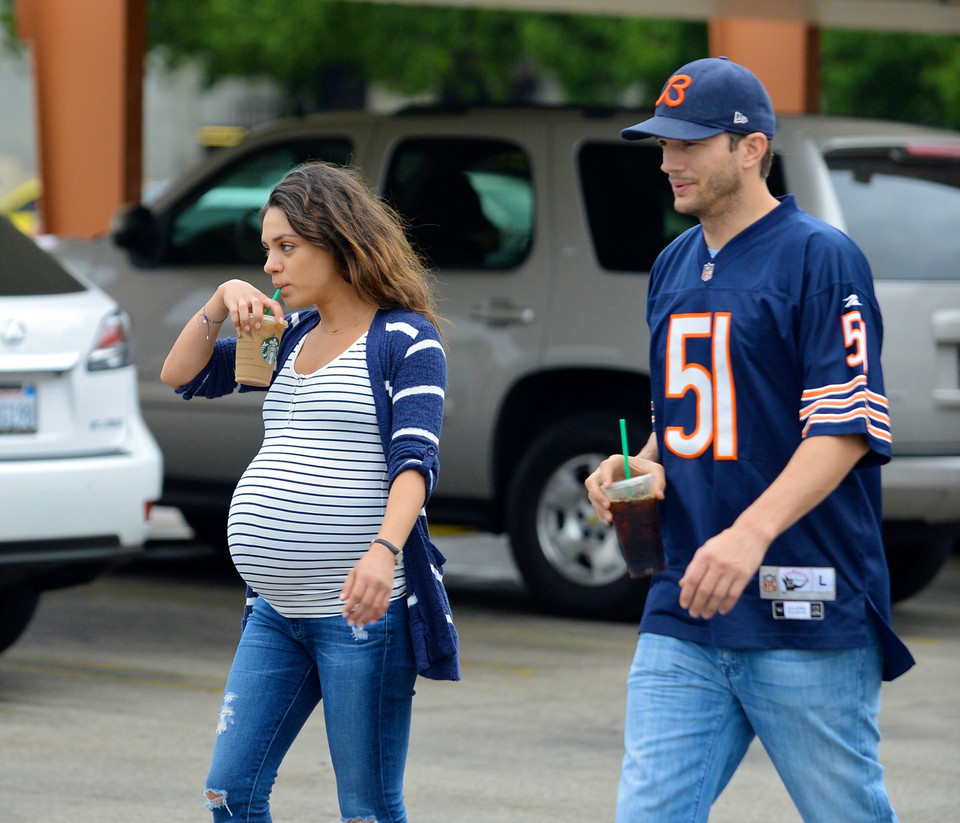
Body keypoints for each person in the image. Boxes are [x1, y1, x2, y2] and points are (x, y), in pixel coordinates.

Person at [585, 57, 914, 823]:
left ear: (750, 147)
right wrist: (645, 462)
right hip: (685, 597)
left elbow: (846, 426)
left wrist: (747, 536)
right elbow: (695, 412)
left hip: (802, 597)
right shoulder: (671, 264)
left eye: (689, 143)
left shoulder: (821, 257)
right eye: (662, 144)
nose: (668, 161)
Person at [160, 161, 459, 823]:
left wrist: (383, 552)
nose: (271, 264)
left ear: (342, 242)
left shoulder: (406, 339)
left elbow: (416, 463)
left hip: (361, 618)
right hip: (274, 611)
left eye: (286, 247)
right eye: (267, 249)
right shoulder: (284, 336)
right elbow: (180, 374)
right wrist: (219, 302)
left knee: (367, 808)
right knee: (229, 791)